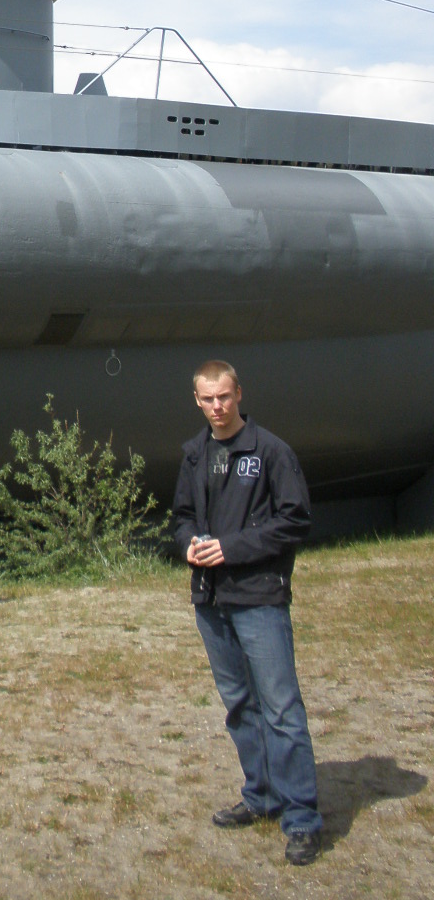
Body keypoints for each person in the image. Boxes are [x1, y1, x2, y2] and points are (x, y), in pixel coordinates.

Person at [173, 360, 323, 867]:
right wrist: (189, 544)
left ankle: (301, 817)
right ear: (197, 401)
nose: (217, 407)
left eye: (224, 397)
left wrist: (230, 548)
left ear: (239, 393)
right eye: (207, 399)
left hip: (258, 596)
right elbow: (182, 517)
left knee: (281, 708)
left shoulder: (271, 451)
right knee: (240, 704)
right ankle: (261, 795)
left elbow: (294, 520)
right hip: (211, 599)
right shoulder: (195, 455)